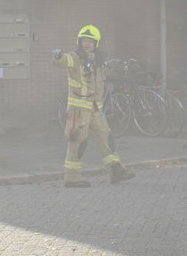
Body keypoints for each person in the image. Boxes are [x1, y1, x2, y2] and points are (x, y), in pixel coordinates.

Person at [53, 24, 135, 188]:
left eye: (90, 41)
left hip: (95, 109)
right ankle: (72, 178)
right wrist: (57, 56)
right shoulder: (75, 58)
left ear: (96, 43)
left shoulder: (98, 60)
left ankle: (116, 171)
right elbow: (62, 61)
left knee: (107, 138)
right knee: (77, 142)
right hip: (78, 110)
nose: (86, 43)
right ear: (79, 41)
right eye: (84, 40)